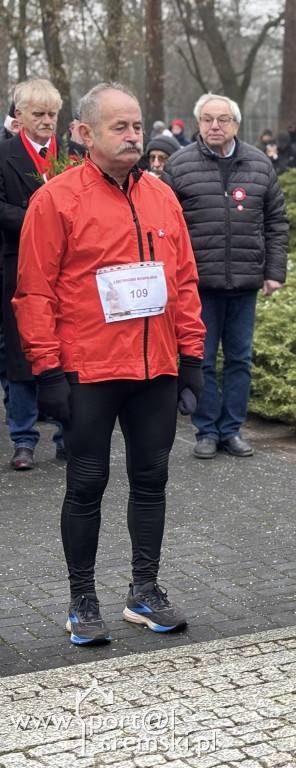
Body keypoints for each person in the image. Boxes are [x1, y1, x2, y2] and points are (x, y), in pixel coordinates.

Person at [12, 82, 205, 645]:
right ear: (85, 133)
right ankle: (82, 600)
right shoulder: (56, 199)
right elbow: (34, 293)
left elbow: (184, 281)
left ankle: (144, 591)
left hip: (155, 370)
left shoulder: (163, 197)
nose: (132, 137)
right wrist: (46, 371)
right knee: (86, 483)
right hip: (89, 370)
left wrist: (191, 357)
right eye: (119, 127)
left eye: (137, 127)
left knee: (151, 479)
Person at [162, 93, 289, 460]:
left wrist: (274, 272)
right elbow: (166, 228)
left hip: (246, 283)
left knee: (239, 359)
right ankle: (206, 431)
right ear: (198, 123)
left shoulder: (260, 164)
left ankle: (231, 430)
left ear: (236, 124)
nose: (214, 126)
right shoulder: (179, 166)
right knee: (200, 360)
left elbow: (276, 222)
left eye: (222, 119)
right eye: (207, 119)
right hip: (197, 286)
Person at [0, 79, 82, 471]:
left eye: (52, 114)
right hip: (19, 265)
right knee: (20, 353)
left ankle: (69, 435)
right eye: (38, 114)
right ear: (19, 116)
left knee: (68, 348)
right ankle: (23, 439)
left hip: (69, 270)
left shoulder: (74, 155)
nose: (47, 121)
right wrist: (41, 219)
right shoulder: (4, 155)